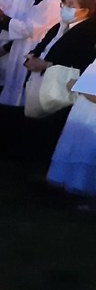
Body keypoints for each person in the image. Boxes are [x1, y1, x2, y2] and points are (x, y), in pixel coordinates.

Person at [23, 0, 96, 158]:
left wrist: (47, 65)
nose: (64, 7)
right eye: (64, 3)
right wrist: (32, 57)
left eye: (71, 4)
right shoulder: (59, 26)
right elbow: (43, 45)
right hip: (40, 80)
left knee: (53, 128)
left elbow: (83, 60)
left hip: (63, 87)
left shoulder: (89, 31)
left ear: (84, 11)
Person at [0, 0, 61, 107]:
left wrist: (3, 18)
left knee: (22, 93)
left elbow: (30, 29)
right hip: (21, 47)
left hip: (32, 50)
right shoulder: (35, 1)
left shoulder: (52, 3)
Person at [47, 61, 96, 206]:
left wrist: (78, 86)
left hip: (91, 118)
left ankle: (86, 192)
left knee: (87, 152)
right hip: (84, 113)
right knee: (78, 148)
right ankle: (74, 186)